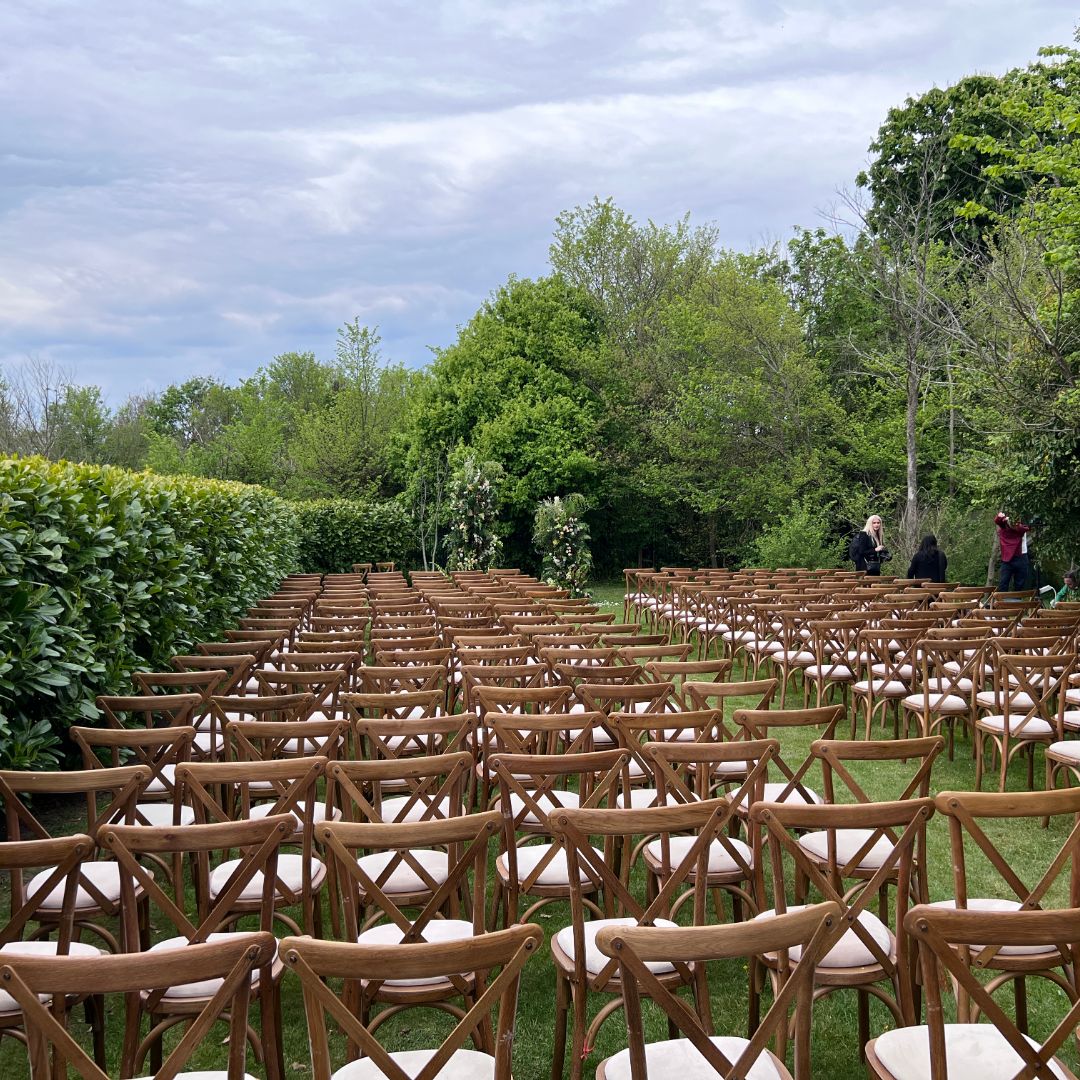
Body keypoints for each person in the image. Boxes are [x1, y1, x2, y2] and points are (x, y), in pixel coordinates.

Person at [994, 512, 1032, 591]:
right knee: (1004, 583)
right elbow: (997, 520)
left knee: (1019, 583)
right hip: (1008, 559)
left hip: (1021, 557)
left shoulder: (1020, 528)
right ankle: (1001, 602)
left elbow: (1022, 528)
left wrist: (1006, 519)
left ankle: (1016, 602)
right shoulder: (1004, 526)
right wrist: (1003, 518)